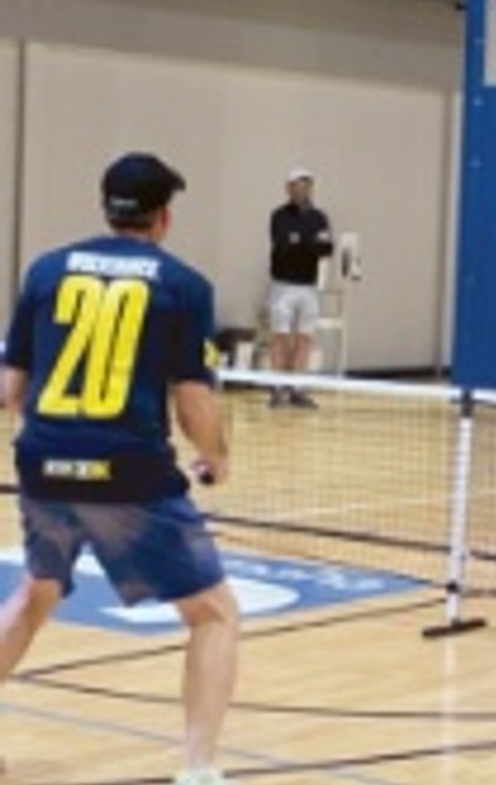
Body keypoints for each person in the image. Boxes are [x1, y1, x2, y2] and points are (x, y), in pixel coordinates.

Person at [0, 153, 239, 784]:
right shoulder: (183, 286)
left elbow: (10, 386)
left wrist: (46, 438)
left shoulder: (46, 272)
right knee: (215, 615)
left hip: (43, 463)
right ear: (164, 217)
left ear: (106, 207)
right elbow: (193, 402)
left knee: (34, 596)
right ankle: (199, 769)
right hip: (130, 474)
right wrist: (216, 455)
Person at [267, 168, 333, 408]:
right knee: (279, 337)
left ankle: (297, 387)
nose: (301, 190)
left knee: (305, 337)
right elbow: (283, 245)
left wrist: (302, 241)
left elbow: (326, 249)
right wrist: (309, 242)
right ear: (288, 189)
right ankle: (277, 386)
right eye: (296, 185)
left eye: (305, 185)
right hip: (282, 285)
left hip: (309, 286)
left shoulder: (319, 218)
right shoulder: (279, 216)